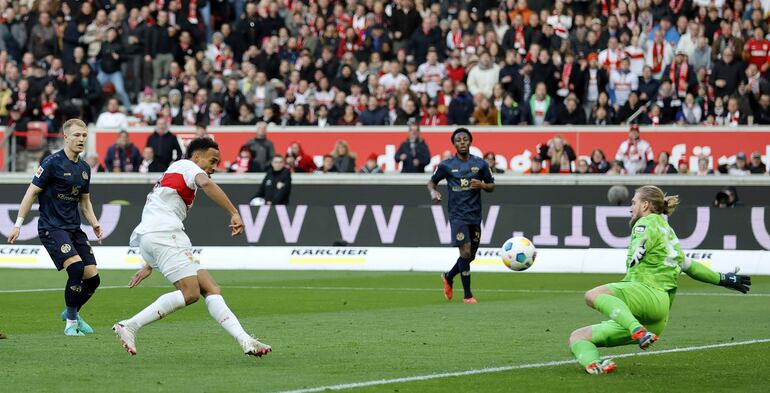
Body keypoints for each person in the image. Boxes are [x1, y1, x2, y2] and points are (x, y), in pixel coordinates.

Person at [113, 138, 271, 358]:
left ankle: (245, 340)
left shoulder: (175, 171)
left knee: (210, 288)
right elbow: (206, 184)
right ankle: (130, 325)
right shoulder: (188, 166)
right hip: (166, 235)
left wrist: (149, 262)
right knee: (191, 293)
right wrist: (234, 212)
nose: (214, 167)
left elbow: (160, 207)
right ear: (196, 156)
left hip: (155, 237)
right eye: (212, 160)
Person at [568, 185, 751, 374]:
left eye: (634, 203)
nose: (630, 208)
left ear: (645, 205)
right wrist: (723, 278)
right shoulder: (668, 232)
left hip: (646, 294)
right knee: (578, 337)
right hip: (658, 316)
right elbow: (689, 266)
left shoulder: (644, 223)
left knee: (593, 295)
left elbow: (643, 235)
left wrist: (640, 245)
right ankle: (595, 365)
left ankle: (636, 330)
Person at [7, 119, 103, 336]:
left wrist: (95, 223)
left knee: (93, 279)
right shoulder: (51, 163)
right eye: (77, 135)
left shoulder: (85, 168)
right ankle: (70, 323)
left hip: (73, 228)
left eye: (84, 135)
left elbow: (85, 202)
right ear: (66, 137)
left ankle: (73, 312)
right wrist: (18, 225)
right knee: (76, 269)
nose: (81, 139)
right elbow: (31, 193)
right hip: (51, 227)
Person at [429, 128, 495, 304]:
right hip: (457, 215)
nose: (462, 142)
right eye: (459, 140)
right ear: (454, 144)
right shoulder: (446, 165)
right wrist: (433, 192)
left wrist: (481, 185)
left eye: (465, 139)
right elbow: (431, 182)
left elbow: (492, 185)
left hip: (475, 215)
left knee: (470, 256)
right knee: (465, 252)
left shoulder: (480, 164)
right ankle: (467, 295)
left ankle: (448, 276)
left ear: (470, 142)